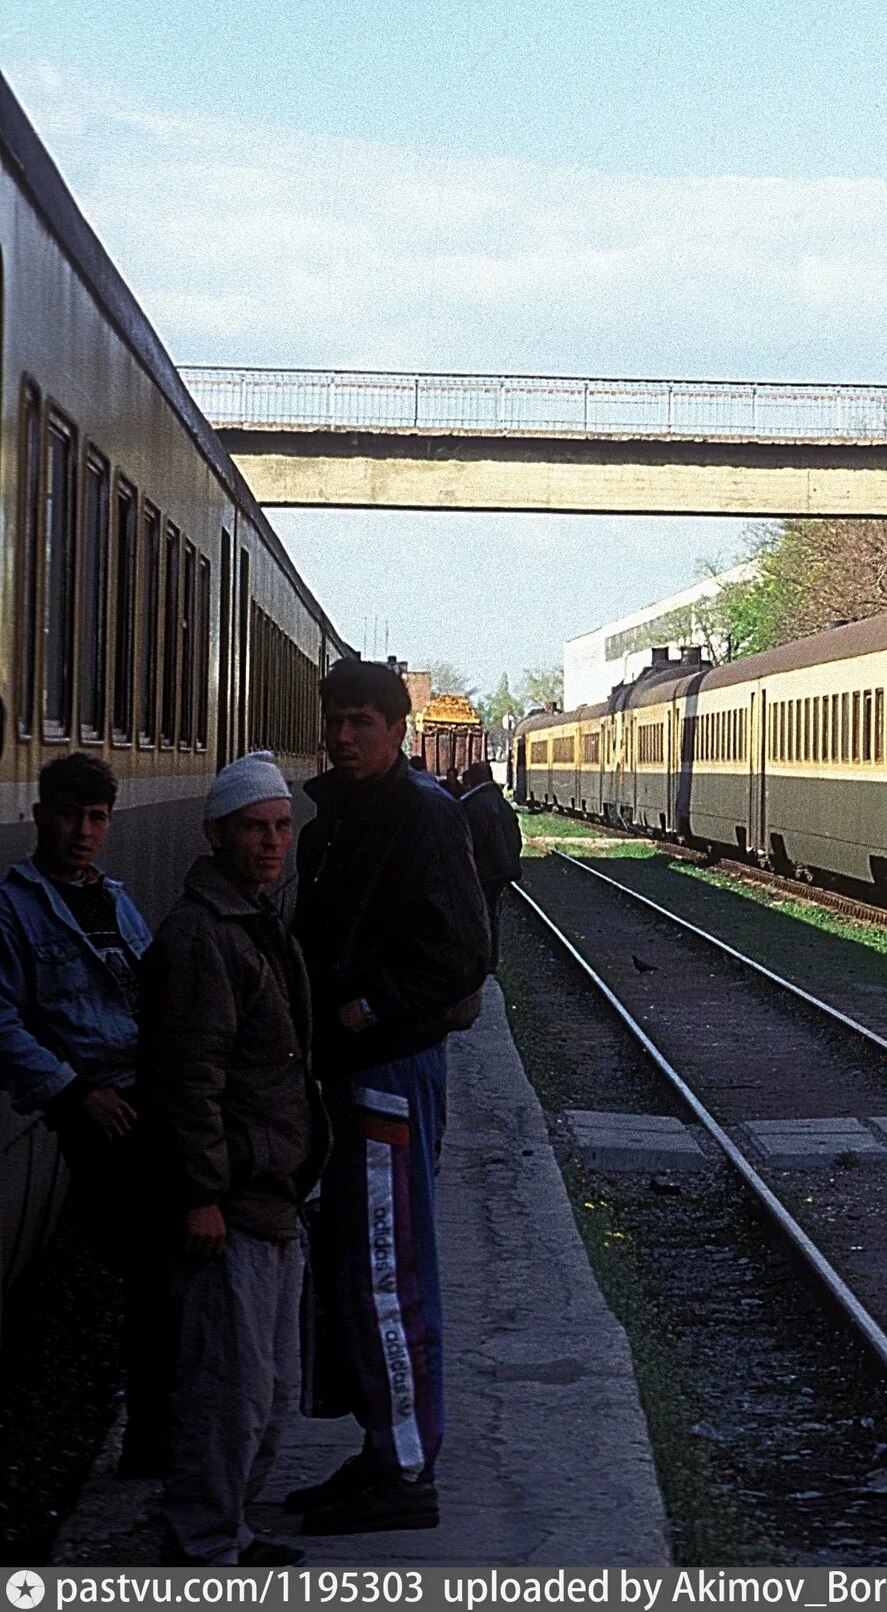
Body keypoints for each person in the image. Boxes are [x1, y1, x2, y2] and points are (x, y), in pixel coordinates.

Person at [290, 660, 492, 1536]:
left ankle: (407, 1471)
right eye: (336, 719)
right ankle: (382, 1450)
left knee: (387, 1270)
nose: (344, 736)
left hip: (391, 1080)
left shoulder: (423, 818)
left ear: (400, 731)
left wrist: (368, 1005)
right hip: (350, 1075)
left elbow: (461, 953)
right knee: (354, 1268)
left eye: (363, 721)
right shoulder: (337, 818)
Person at [143, 753, 325, 1566]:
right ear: (219, 833)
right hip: (233, 1200)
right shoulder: (202, 937)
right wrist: (200, 1195)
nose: (272, 843)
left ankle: (231, 1530)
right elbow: (189, 1079)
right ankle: (202, 1544)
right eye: (255, 829)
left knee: (272, 1391)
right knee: (230, 1392)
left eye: (282, 828)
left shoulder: (253, 920)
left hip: (273, 1193)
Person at [0, 752, 170, 1472]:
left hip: (145, 1092)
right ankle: (149, 1437)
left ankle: (154, 1427)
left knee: (154, 1260)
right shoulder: (15, 907)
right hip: (95, 1100)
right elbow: (4, 1020)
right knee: (144, 1260)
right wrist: (75, 1094)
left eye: (96, 818)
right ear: (41, 816)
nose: (83, 832)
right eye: (69, 815)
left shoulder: (115, 897)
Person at [452, 760, 522, 962]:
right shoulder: (501, 803)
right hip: (500, 870)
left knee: (482, 916)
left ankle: (484, 959)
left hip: (483, 872)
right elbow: (515, 838)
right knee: (493, 914)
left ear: (472, 780)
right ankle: (491, 958)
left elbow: (471, 840)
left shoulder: (476, 805)